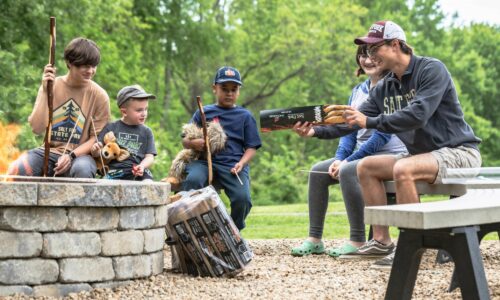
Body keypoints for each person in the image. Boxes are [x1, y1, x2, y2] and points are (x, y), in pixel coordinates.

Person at [295, 20, 481, 268]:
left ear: (395, 45)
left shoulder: (431, 70)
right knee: (366, 167)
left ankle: (413, 245)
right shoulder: (386, 86)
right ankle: (381, 241)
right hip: (422, 156)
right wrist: (315, 131)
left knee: (403, 169)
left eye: (375, 48)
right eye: (367, 50)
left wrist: (369, 121)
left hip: (458, 151)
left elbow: (418, 114)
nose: (370, 55)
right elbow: (353, 121)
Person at [290, 45, 407, 257]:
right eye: (362, 55)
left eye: (372, 54)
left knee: (348, 170)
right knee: (318, 171)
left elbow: (382, 136)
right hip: (361, 155)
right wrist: (339, 158)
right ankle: (315, 239)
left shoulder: (393, 89)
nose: (367, 59)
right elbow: (348, 133)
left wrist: (348, 162)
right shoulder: (357, 92)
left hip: (389, 156)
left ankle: (358, 240)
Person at [7, 37, 110, 178]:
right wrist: (45, 91)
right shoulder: (51, 86)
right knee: (17, 169)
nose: (90, 71)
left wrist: (71, 156)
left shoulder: (100, 96)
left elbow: (96, 138)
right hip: (49, 153)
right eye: (85, 66)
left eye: (94, 66)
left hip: (81, 157)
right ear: (69, 62)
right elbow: (36, 128)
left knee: (83, 169)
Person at [181, 66, 262, 230]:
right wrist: (194, 143)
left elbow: (252, 146)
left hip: (233, 164)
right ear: (214, 88)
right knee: (193, 180)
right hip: (204, 161)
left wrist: (242, 163)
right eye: (224, 89)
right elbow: (185, 140)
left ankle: (233, 230)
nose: (229, 93)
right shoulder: (203, 112)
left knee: (243, 199)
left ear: (238, 91)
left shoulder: (245, 116)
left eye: (234, 89)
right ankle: (193, 226)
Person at [91, 85, 157, 181]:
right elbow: (98, 152)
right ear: (124, 112)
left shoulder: (147, 132)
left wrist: (142, 166)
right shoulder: (111, 127)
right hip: (115, 170)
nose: (144, 113)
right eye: (139, 110)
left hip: (138, 169)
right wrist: (95, 150)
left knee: (148, 183)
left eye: (146, 109)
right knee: (105, 183)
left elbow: (150, 157)